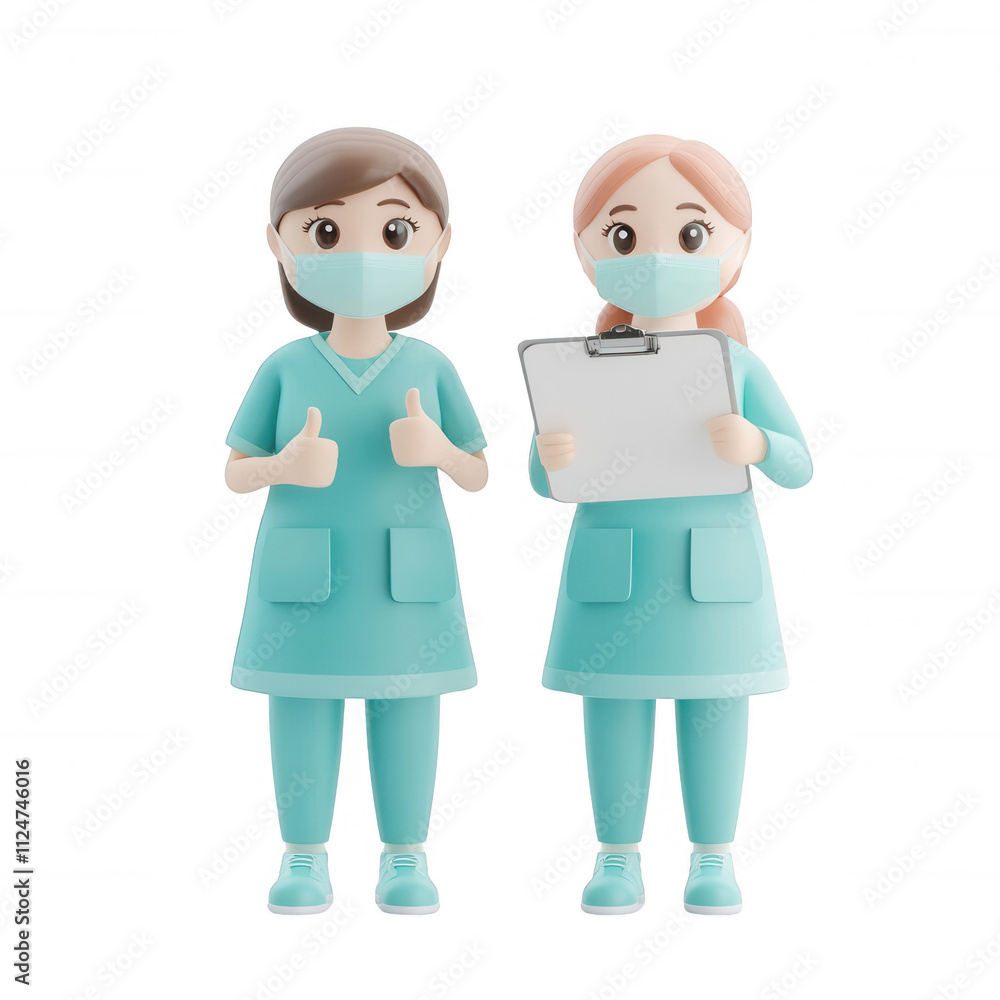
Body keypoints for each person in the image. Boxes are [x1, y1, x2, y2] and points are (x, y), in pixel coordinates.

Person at [529, 135, 812, 915]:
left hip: (713, 580)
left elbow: (798, 463)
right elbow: (543, 479)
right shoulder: (582, 364)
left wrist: (757, 444)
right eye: (624, 235)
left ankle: (712, 858)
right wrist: (551, 454)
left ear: (737, 247)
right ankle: (617, 858)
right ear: (587, 250)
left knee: (713, 709)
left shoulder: (736, 364)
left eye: (690, 233)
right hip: (612, 579)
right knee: (614, 711)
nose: (655, 257)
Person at [226, 128, 487, 915]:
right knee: (301, 708)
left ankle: (405, 858)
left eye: (395, 230)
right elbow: (235, 471)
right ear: (280, 245)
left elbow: (478, 471)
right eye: (327, 231)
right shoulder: (284, 368)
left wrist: (440, 451)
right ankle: (303, 859)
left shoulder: (431, 367)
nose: (364, 254)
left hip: (407, 587)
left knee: (407, 708)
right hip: (302, 587)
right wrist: (281, 467)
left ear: (438, 244)